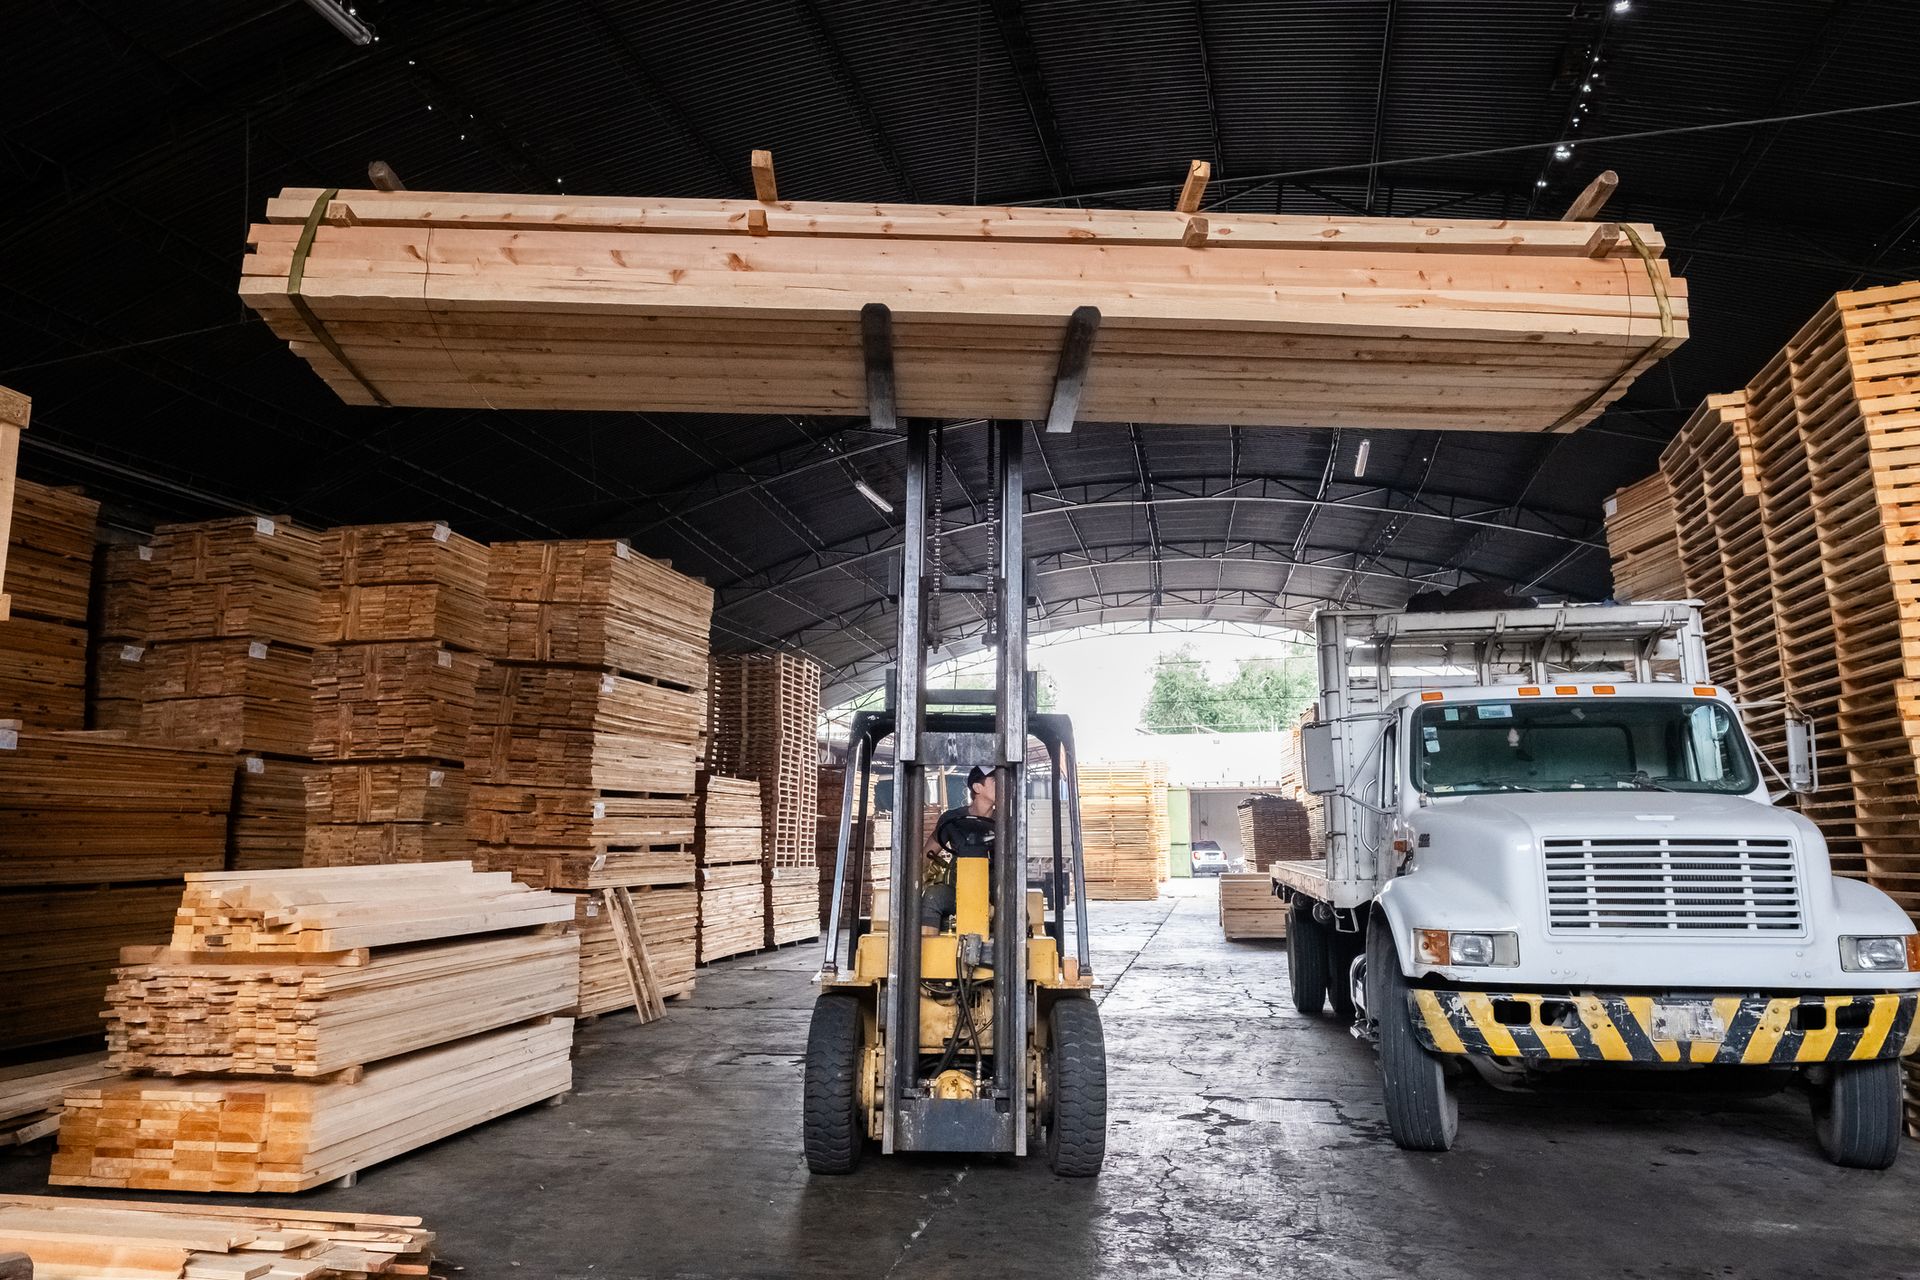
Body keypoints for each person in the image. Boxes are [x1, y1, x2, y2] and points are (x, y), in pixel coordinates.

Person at [922, 765, 995, 935]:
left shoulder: (1007, 820)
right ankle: (928, 957)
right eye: (995, 781)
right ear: (978, 787)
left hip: (996, 890)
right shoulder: (952, 820)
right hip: (959, 890)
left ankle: (1010, 956)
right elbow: (927, 854)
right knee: (933, 897)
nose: (1004, 785)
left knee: (1016, 905)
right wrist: (915, 880)